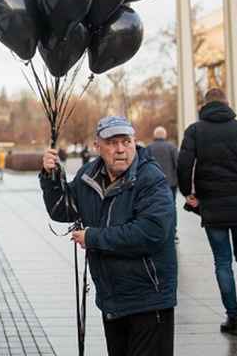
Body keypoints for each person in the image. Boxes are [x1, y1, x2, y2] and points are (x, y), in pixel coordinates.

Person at [41, 116, 177, 356]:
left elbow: (152, 232)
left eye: (126, 141)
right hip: (112, 299)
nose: (121, 149)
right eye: (112, 143)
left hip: (149, 298)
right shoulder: (88, 176)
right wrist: (50, 177)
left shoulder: (150, 178)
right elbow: (62, 209)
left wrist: (93, 238)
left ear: (135, 142)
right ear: (98, 146)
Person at [177, 88, 237, 336]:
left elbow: (184, 163)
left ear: (205, 106)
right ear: (227, 104)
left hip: (213, 205)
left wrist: (188, 192)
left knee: (222, 262)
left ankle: (233, 317)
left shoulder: (195, 131)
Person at [148, 127, 180, 241]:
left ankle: (157, 231)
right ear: (165, 136)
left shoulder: (149, 148)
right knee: (171, 206)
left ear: (154, 135)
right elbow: (177, 165)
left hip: (153, 183)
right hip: (170, 182)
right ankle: (173, 232)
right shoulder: (171, 147)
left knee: (153, 207)